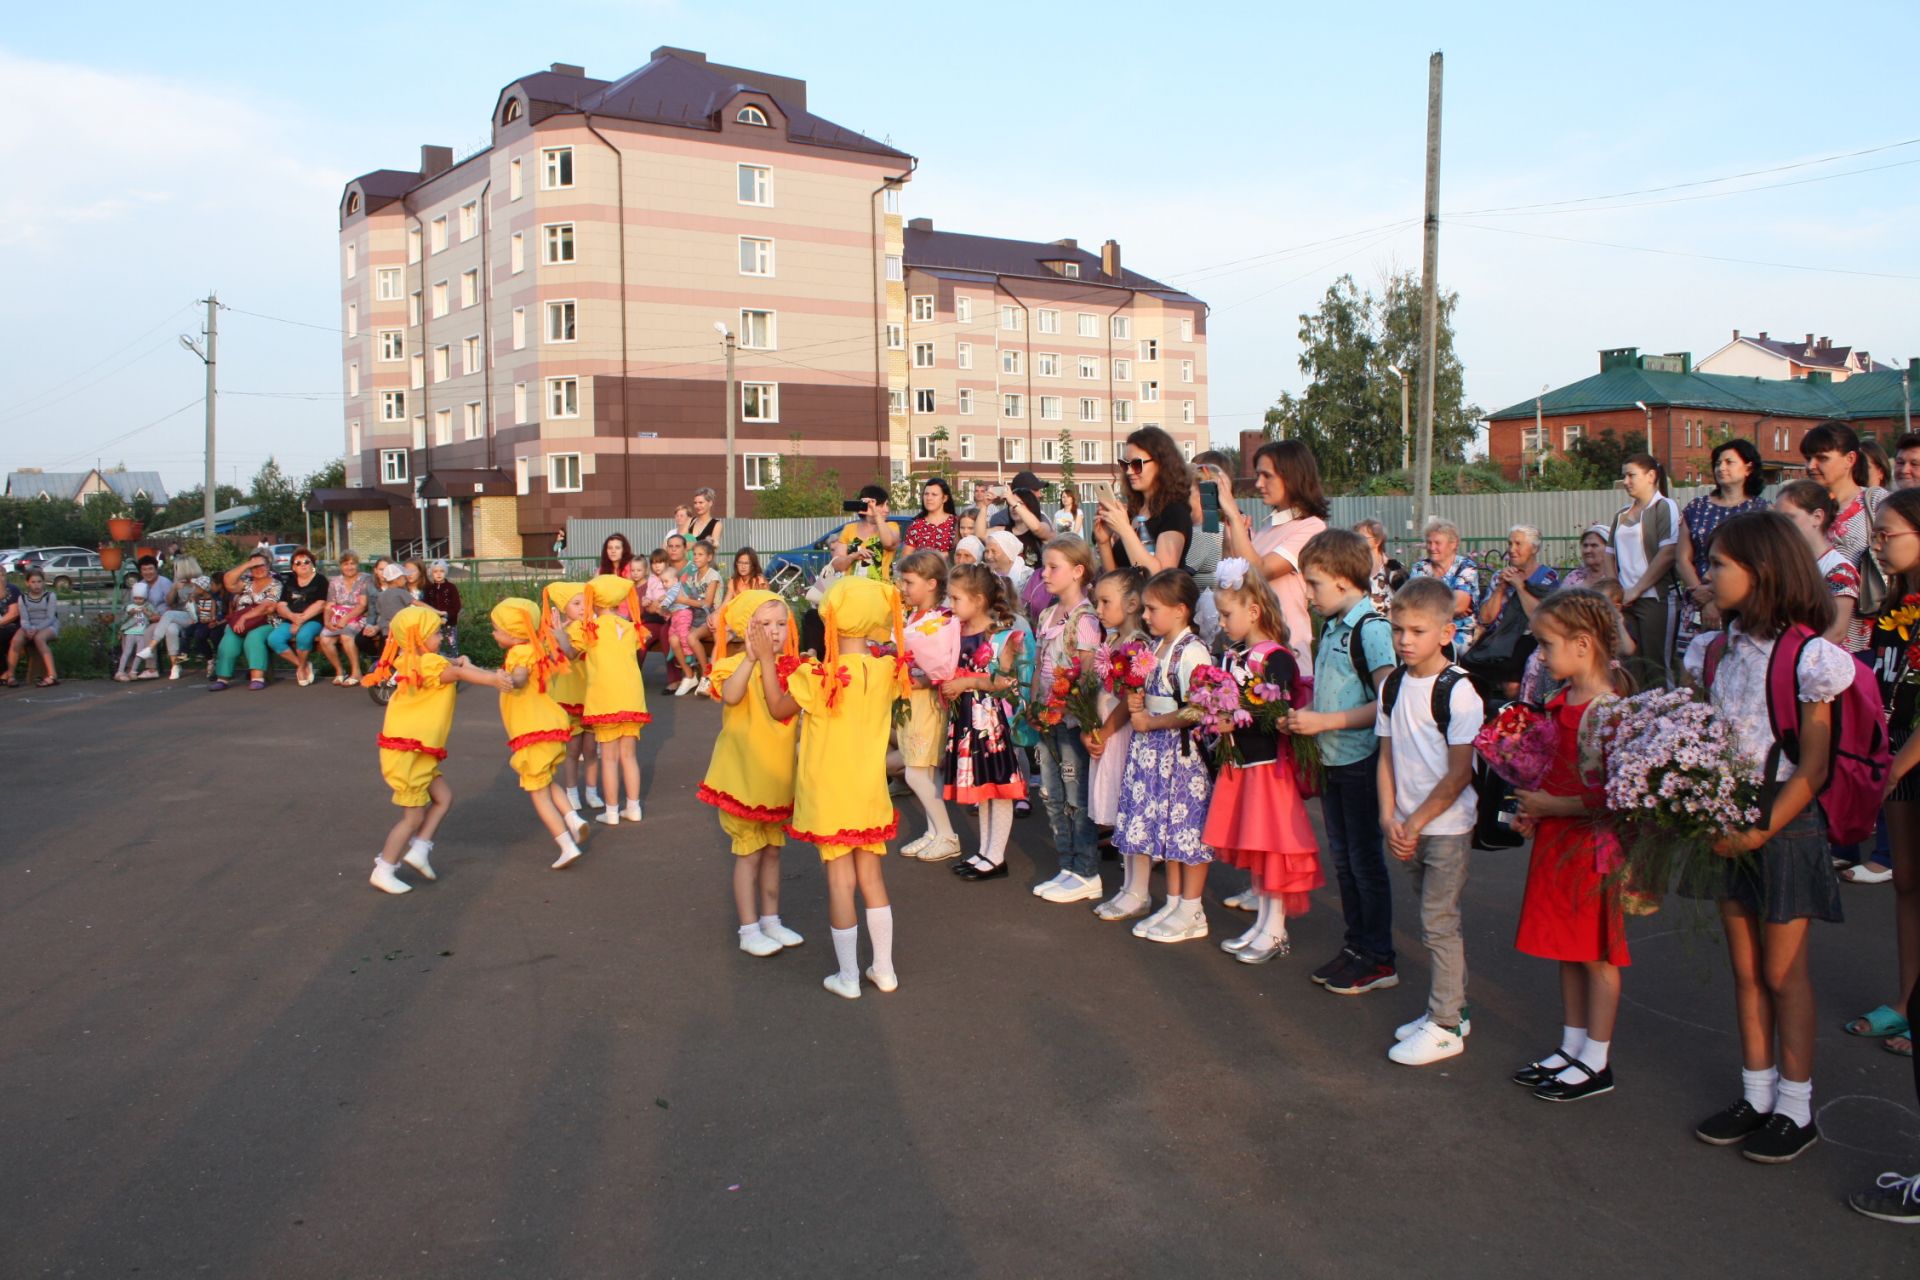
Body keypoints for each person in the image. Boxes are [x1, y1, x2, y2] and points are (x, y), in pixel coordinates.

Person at [1683, 510, 1852, 1164]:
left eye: (1721, 563)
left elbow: (1814, 766)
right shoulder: (1714, 649)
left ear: (1763, 573)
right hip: (1726, 816)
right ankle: (1756, 1094)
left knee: (1785, 974)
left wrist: (1760, 830)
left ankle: (1796, 1107)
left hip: (1780, 821)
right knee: (1747, 969)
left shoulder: (1811, 656)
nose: (1711, 573)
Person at [1509, 589, 1635, 1103]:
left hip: (1592, 848)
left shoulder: (1609, 710)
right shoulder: (1562, 701)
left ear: (1582, 645)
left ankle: (1597, 1060)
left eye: (1545, 644)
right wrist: (1532, 814)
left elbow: (1618, 795)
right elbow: (1553, 772)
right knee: (1567, 948)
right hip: (1558, 841)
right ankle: (1572, 1046)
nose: (1540, 655)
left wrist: (1550, 808)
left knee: (1598, 956)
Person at [766, 574, 909, 999]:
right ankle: (883, 968)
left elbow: (778, 709)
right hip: (869, 788)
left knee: (839, 883)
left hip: (829, 790)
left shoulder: (817, 674)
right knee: (873, 878)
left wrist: (761, 657)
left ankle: (848, 976)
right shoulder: (885, 670)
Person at [1378, 575, 1486, 1066]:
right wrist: (1389, 817)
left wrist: (1415, 821)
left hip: (1443, 828)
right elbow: (1386, 756)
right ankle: (1451, 1009)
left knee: (1439, 924)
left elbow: (1459, 775)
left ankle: (1445, 1024)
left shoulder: (1459, 692)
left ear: (1446, 633)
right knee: (1433, 919)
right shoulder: (1393, 684)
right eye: (1398, 629)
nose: (1404, 640)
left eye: (1417, 631)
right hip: (1406, 827)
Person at [1290, 529, 1400, 995]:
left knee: (1364, 862)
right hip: (1334, 761)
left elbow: (1388, 703)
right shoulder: (1334, 626)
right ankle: (1357, 947)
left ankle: (1379, 957)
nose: (1308, 594)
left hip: (1359, 762)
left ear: (1340, 580)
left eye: (1313, 583)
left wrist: (1326, 721)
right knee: (1345, 861)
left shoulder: (1370, 628)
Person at [1851, 494, 1920, 1221]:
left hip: (1911, 763)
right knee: (1906, 885)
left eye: (1890, 532)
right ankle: (1905, 1002)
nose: (1880, 542)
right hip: (1892, 761)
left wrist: (1897, 764)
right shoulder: (1893, 604)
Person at [1202, 557, 1321, 964]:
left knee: (1273, 847)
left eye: (1226, 614)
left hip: (1269, 769)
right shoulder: (1235, 654)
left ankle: (1275, 928)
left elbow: (1277, 718)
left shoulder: (1275, 658)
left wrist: (1232, 721)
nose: (1221, 623)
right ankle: (1262, 922)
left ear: (1253, 611)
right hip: (1242, 766)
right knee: (1255, 845)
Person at [362, 604, 510, 894]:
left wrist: (461, 662)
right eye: (435, 634)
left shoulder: (412, 659)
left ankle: (419, 850)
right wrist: (492, 678)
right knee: (412, 817)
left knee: (443, 798)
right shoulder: (429, 665)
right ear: (419, 639)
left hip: (414, 751)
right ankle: (385, 868)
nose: (441, 637)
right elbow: (455, 675)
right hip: (409, 754)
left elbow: (450, 665)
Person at [700, 589, 805, 957]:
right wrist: (750, 658)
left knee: (773, 851)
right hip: (742, 779)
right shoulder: (731, 665)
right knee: (749, 854)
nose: (775, 632)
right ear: (747, 629)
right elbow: (729, 696)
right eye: (764, 625)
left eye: (781, 623)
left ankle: (771, 920)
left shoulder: (791, 668)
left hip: (775, 778)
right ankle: (748, 928)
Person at [1114, 569, 1214, 941]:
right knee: (1169, 828)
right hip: (1154, 751)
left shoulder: (1193, 651)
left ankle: (1193, 908)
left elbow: (1200, 709)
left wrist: (1152, 722)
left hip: (1181, 754)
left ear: (1181, 610)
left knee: (1188, 829)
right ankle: (1173, 902)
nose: (1145, 616)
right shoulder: (1158, 647)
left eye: (1153, 609)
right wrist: (1137, 701)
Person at [940, 564, 1029, 881]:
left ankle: (996, 856)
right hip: (966, 719)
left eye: (956, 599)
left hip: (988, 721)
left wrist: (966, 684)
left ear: (978, 600)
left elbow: (1004, 682)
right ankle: (985, 851)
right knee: (982, 788)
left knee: (997, 788)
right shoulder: (955, 631)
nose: (951, 606)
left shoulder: (999, 635)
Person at [1029, 535, 1105, 904]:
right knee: (1052, 794)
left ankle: (1087, 869)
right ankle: (1068, 864)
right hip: (1047, 717)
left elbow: (1088, 677)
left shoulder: (1085, 619)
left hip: (1070, 722)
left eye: (1052, 567)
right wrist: (1033, 702)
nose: (1044, 574)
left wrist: (1079, 714)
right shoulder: (1048, 613)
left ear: (1077, 572)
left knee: (1076, 796)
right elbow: (1041, 661)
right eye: (1043, 566)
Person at [491, 597, 590, 869]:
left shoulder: (518, 654)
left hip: (531, 728)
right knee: (547, 781)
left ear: (513, 634)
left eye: (497, 629)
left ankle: (566, 845)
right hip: (550, 724)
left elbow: (521, 676)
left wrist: (508, 679)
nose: (493, 633)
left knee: (538, 792)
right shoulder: (536, 647)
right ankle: (573, 818)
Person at [1212, 439, 1328, 670]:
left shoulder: (1311, 527)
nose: (1258, 483)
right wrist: (1229, 536)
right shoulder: (1268, 528)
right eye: (1258, 475)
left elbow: (1259, 571)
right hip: (1252, 646)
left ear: (1292, 476)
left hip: (1286, 647)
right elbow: (1237, 580)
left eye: (1267, 476)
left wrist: (1233, 514)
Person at [1088, 566, 1149, 919]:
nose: (1098, 609)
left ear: (1130, 604)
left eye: (1105, 602)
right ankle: (1128, 885)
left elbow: (1130, 697)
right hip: (1107, 730)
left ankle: (1137, 889)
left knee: (1129, 810)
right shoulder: (1111, 640)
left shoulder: (1136, 644)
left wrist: (1107, 730)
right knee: (1120, 814)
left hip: (1122, 732)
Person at [893, 550, 961, 863]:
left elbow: (944, 665)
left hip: (928, 702)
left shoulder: (942, 619)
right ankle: (935, 830)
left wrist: (923, 679)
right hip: (912, 700)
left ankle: (947, 834)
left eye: (909, 582)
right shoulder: (915, 617)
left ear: (932, 583)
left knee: (916, 773)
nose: (904, 588)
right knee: (923, 769)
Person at [571, 575, 651, 826]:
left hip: (605, 698)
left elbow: (570, 651)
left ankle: (612, 810)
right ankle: (634, 807)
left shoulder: (590, 629)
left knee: (608, 757)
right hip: (632, 697)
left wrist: (556, 632)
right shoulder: (630, 627)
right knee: (629, 756)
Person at [1676, 440, 1769, 654]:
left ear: (1748, 468)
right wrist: (1703, 597)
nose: (1721, 468)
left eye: (1729, 462)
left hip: (1741, 606)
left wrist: (1720, 601)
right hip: (1697, 600)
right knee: (1692, 672)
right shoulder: (1696, 507)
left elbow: (1760, 562)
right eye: (1718, 463)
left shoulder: (1761, 511)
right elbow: (1682, 558)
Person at [1802, 421, 1887, 654]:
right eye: (1808, 458)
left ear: (1850, 459)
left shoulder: (1875, 502)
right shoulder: (1803, 509)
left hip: (1861, 634)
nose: (1811, 466)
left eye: (1822, 458)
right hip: (1809, 628)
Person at [1611, 455, 1681, 681]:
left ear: (1651, 476)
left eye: (1631, 475)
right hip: (1625, 601)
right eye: (1624, 476)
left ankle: (1667, 714)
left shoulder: (1664, 507)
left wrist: (1637, 589)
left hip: (1655, 598)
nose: (1626, 481)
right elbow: (1609, 556)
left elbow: (1668, 552)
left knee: (1657, 666)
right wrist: (1615, 594)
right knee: (1630, 666)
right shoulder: (1620, 514)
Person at [1095, 427, 1191, 575]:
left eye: (1136, 464)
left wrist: (1124, 529)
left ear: (1161, 464)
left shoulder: (1174, 513)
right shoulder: (1134, 511)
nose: (1129, 471)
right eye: (1125, 464)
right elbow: (1115, 579)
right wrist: (1104, 542)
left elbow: (1159, 578)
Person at [1775, 481, 1859, 646]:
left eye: (1789, 518)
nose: (1780, 527)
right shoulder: (1784, 563)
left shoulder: (1839, 570)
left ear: (1817, 517)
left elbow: (1836, 632)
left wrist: (1797, 660)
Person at [543, 581, 602, 814]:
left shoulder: (590, 628)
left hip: (590, 696)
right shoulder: (563, 631)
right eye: (576, 603)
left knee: (590, 749)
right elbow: (567, 653)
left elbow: (574, 651)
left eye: (584, 603)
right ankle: (571, 792)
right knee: (572, 750)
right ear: (563, 608)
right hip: (569, 697)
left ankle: (591, 790)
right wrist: (557, 634)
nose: (581, 608)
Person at [212, 553, 283, 691]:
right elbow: (228, 582)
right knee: (229, 639)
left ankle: (257, 677)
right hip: (241, 623)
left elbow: (267, 606)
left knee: (254, 638)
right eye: (254, 566)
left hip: (267, 621)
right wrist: (247, 564)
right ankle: (222, 678)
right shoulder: (246, 583)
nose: (258, 569)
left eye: (261, 565)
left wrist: (245, 617)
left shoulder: (276, 584)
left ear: (268, 566)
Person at [1408, 519, 1481, 644]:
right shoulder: (1420, 567)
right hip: (1424, 629)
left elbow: (1459, 605)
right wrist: (1450, 610)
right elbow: (1412, 603)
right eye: (1429, 542)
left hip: (1459, 631)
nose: (1431, 547)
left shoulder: (1466, 567)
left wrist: (1426, 606)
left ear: (1453, 544)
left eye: (1437, 543)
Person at [267, 548, 328, 687]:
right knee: (274, 639)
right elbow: (281, 605)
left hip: (313, 619)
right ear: (293, 567)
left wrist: (300, 620)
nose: (303, 565)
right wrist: (292, 617)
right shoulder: (290, 582)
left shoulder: (320, 580)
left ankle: (300, 669)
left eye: (307, 561)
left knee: (304, 636)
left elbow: (321, 604)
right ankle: (303, 665)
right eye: (298, 563)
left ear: (312, 564)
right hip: (291, 619)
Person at [673, 540, 722, 695]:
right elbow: (681, 592)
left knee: (692, 637)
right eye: (694, 554)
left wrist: (684, 600)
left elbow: (707, 603)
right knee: (674, 638)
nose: (696, 557)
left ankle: (706, 674)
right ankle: (690, 675)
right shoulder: (693, 576)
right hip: (696, 617)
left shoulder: (713, 576)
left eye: (700, 555)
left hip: (711, 618)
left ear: (709, 557)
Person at [317, 552, 372, 685]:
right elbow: (329, 605)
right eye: (346, 564)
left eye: (352, 563)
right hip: (338, 616)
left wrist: (345, 619)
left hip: (360, 616)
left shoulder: (366, 579)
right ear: (341, 566)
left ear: (357, 565)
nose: (349, 567)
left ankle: (356, 672)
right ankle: (340, 671)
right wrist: (327, 621)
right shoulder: (335, 582)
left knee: (346, 635)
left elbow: (362, 605)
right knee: (325, 638)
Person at [831, 485, 901, 581]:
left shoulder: (891, 526)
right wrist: (853, 556)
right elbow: (837, 565)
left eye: (887, 504)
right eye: (881, 505)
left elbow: (888, 543)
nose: (886, 510)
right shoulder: (849, 529)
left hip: (881, 590)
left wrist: (876, 515)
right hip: (852, 590)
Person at [8, 568, 58, 686]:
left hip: (48, 625)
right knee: (16, 640)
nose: (37, 585)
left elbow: (50, 617)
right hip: (29, 625)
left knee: (39, 638)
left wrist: (35, 629)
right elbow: (24, 618)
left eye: (39, 582)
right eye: (33, 582)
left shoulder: (50, 596)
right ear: (27, 583)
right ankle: (10, 676)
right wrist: (28, 628)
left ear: (43, 582)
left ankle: (52, 675)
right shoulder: (23, 598)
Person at [1354, 518, 1407, 611]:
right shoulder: (1352, 568)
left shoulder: (1393, 568)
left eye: (1362, 538)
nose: (1356, 542)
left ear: (1378, 541)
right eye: (1355, 538)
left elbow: (1407, 597)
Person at [903, 478, 959, 556]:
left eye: (934, 494)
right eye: (926, 494)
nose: (929, 498)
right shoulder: (916, 525)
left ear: (945, 498)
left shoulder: (956, 523)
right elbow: (906, 557)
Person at [115, 581, 157, 681]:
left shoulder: (148, 606)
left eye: (140, 599)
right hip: (130, 633)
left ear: (145, 598)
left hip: (142, 633)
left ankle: (133, 671)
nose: (138, 601)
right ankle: (120, 671)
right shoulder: (130, 607)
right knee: (127, 652)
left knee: (140, 653)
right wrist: (130, 613)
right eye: (135, 598)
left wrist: (147, 612)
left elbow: (154, 616)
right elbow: (123, 619)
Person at [421, 560, 462, 659]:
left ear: (446, 572)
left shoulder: (451, 588)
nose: (438, 574)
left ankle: (454, 666)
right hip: (434, 625)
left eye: (442, 571)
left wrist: (447, 616)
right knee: (436, 646)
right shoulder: (429, 589)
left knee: (452, 645)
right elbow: (426, 605)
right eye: (435, 571)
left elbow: (456, 605)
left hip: (449, 624)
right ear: (431, 573)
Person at [1562, 525, 1613, 592]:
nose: (1587, 550)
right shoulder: (1574, 577)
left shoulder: (1617, 578)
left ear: (1608, 549)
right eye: (1585, 545)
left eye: (1594, 545)